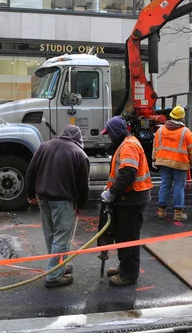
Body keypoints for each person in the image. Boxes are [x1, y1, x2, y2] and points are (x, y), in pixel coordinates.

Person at [25, 125, 90, 289]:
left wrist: (31, 195)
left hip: (43, 198)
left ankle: (59, 265)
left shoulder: (45, 146)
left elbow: (31, 171)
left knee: (51, 234)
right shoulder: (79, 154)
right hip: (62, 200)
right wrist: (80, 204)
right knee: (61, 237)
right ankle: (54, 276)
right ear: (78, 138)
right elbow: (83, 185)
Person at [100, 116, 152, 287]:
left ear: (115, 132)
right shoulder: (125, 143)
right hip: (128, 199)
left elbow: (128, 173)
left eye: (109, 134)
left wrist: (112, 193)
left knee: (129, 238)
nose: (108, 137)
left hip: (132, 199)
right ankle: (124, 267)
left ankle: (128, 275)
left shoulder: (128, 145)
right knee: (123, 236)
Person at [152, 106, 192, 221]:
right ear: (182, 117)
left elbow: (155, 146)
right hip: (180, 164)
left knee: (165, 185)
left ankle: (161, 211)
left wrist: (154, 159)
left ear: (171, 115)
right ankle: (178, 212)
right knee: (179, 186)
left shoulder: (161, 130)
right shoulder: (186, 132)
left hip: (164, 163)